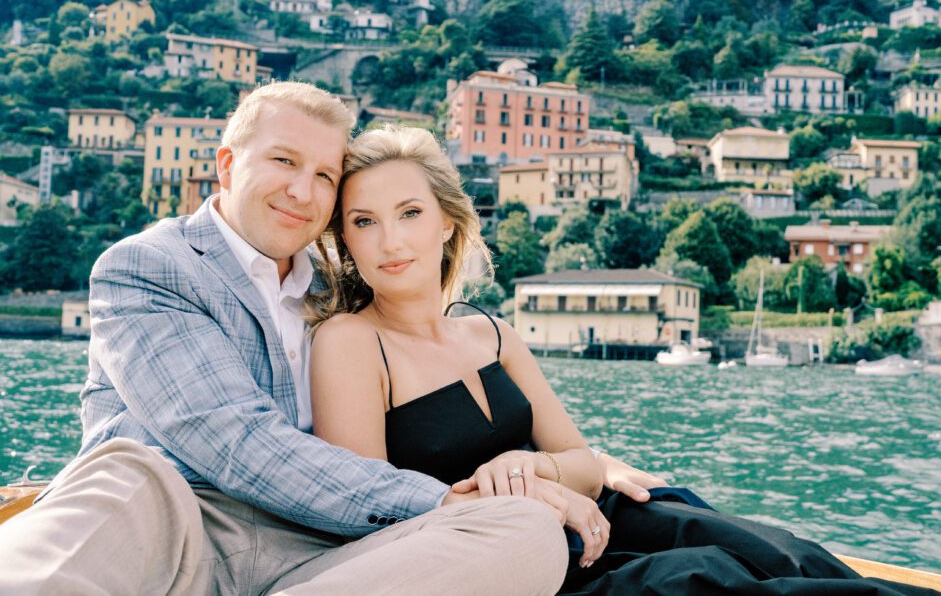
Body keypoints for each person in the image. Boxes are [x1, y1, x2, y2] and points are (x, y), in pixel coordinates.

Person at [307, 125, 941, 596]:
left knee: (774, 549)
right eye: (364, 222)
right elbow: (369, 513)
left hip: (596, 516)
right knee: (709, 579)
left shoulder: (492, 332)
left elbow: (583, 464)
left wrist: (532, 464)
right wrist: (521, 496)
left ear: (447, 223)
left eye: (410, 213)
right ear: (345, 241)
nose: (390, 241)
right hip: (509, 559)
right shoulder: (351, 342)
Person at [0, 82, 569, 596]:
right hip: (172, 519)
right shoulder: (150, 266)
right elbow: (234, 441)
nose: (303, 190)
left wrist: (581, 468)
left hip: (312, 547)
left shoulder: (337, 289)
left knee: (526, 531)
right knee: (127, 472)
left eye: (325, 175)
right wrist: (443, 500)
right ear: (227, 165)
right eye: (283, 161)